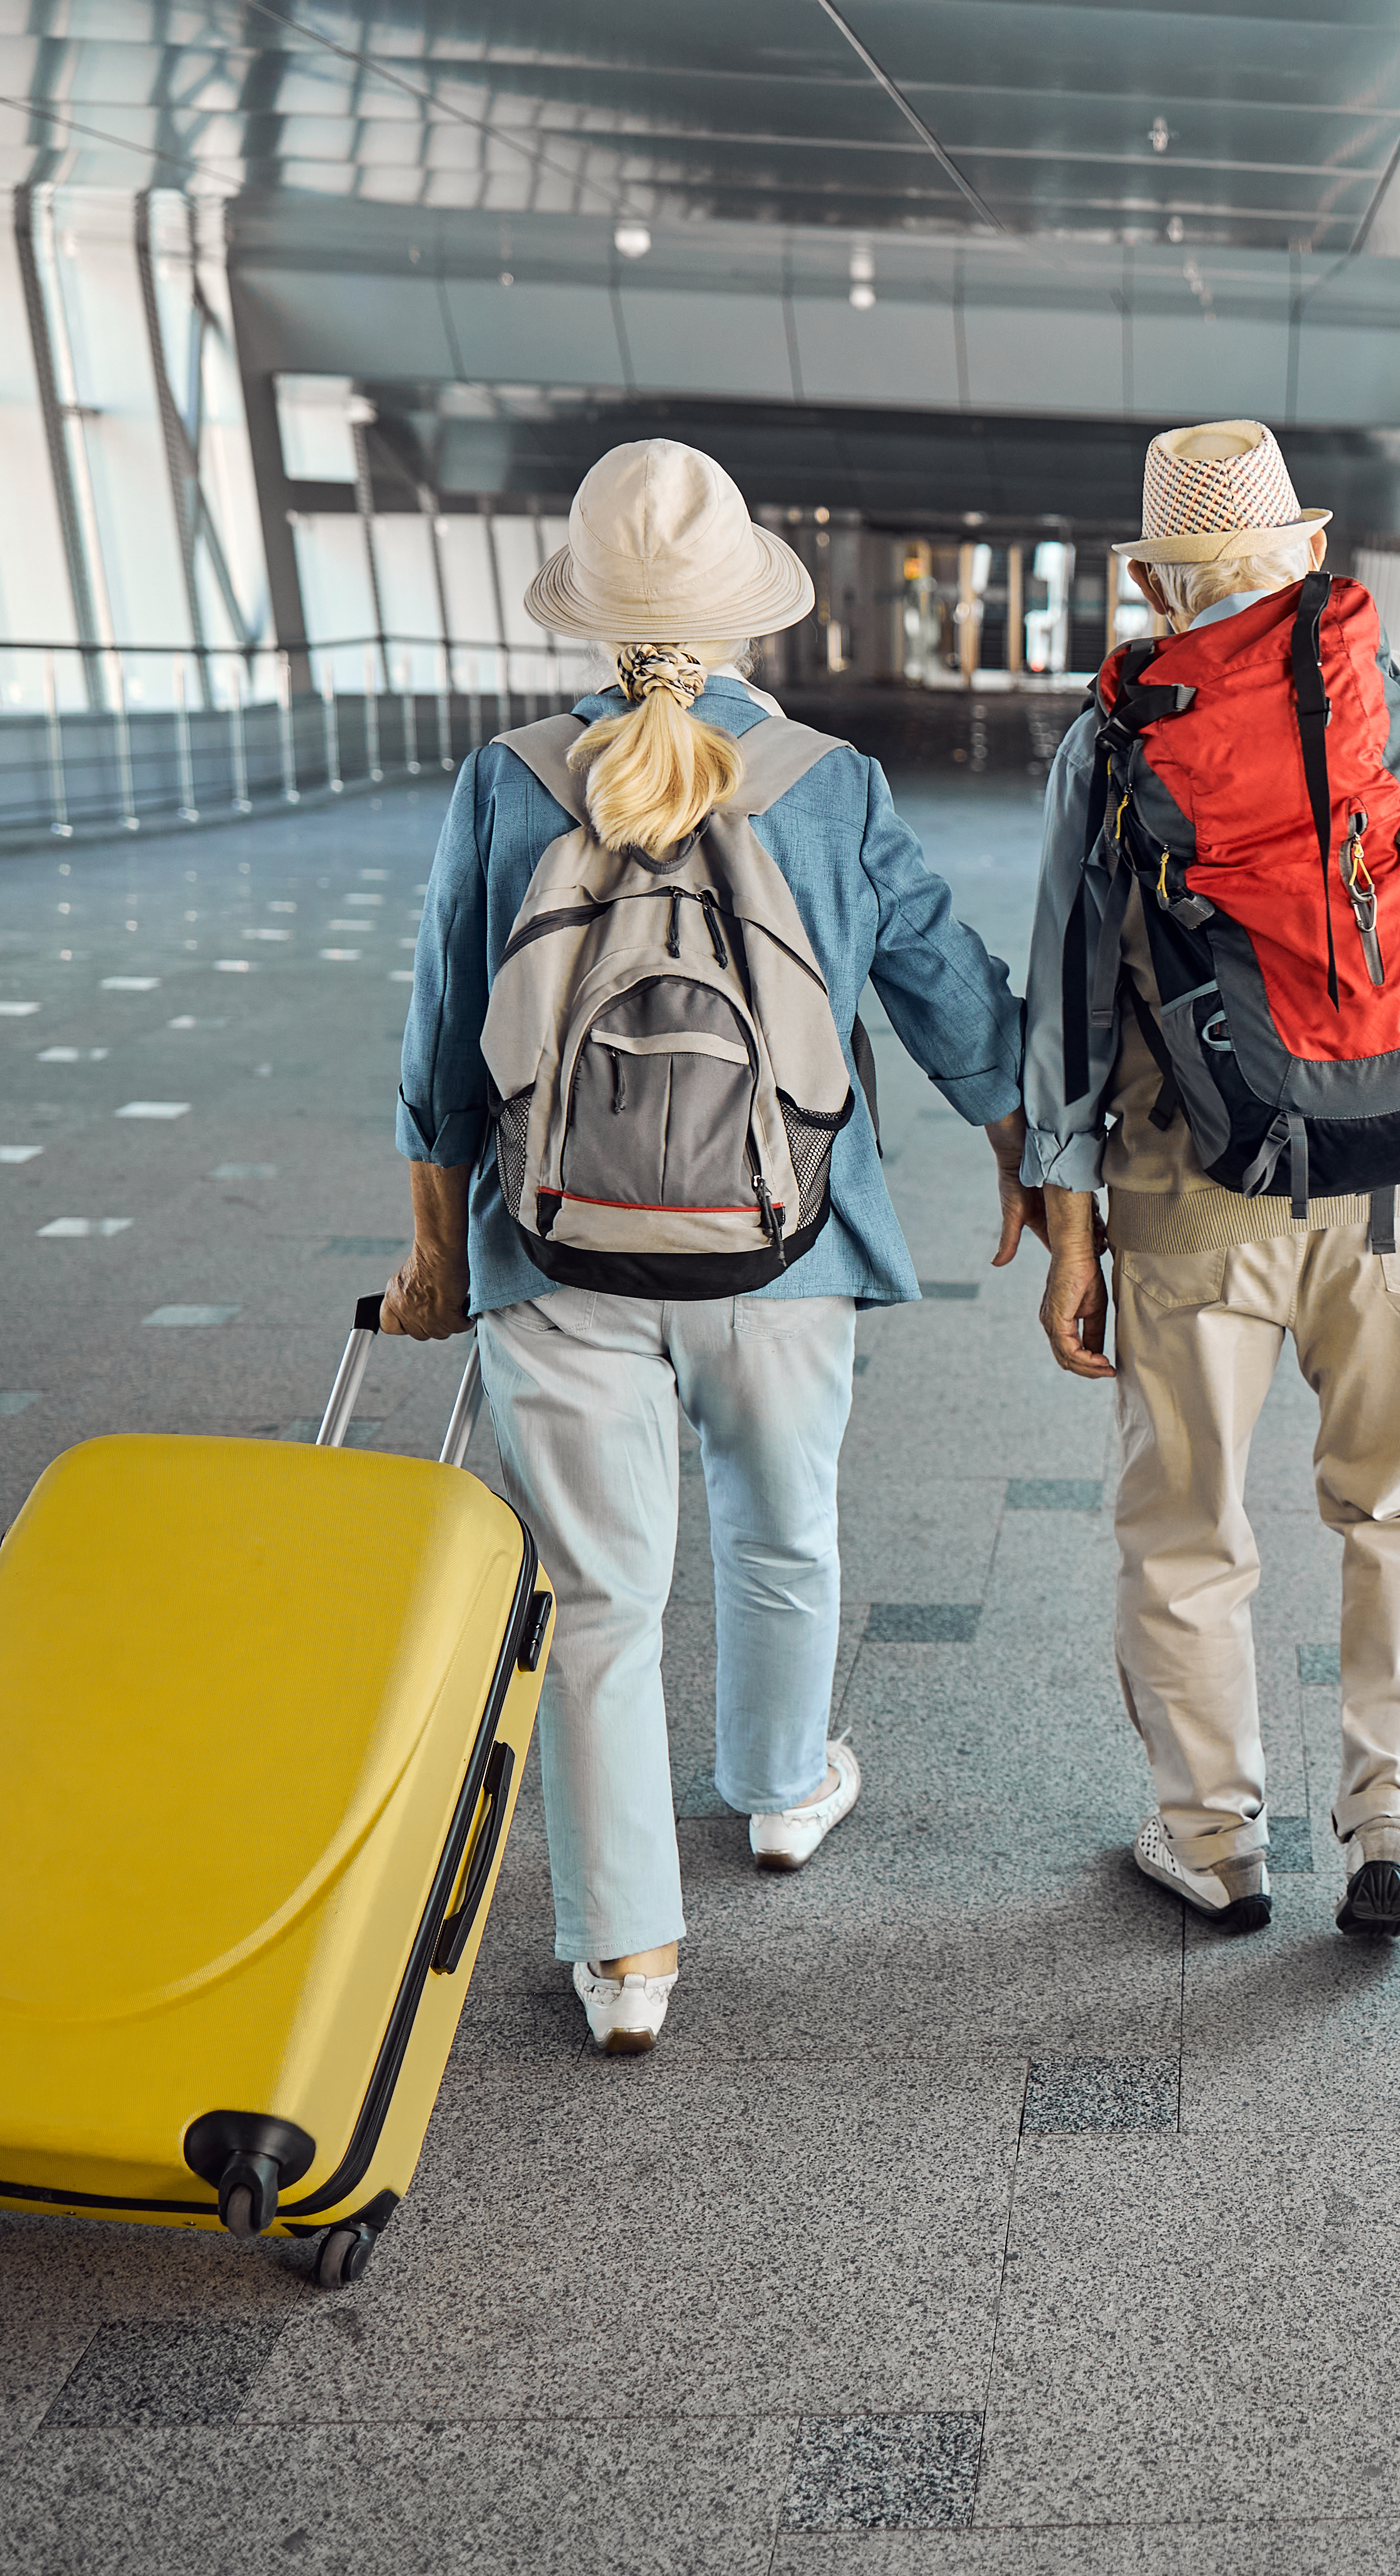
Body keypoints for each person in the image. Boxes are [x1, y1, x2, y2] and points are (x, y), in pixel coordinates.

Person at [381, 438, 1031, 2054]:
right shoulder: (829, 784)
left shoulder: (507, 779)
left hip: (556, 1253)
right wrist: (1032, 1156)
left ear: (588, 624)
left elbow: (443, 1043)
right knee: (783, 1527)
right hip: (785, 1251)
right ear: (749, 619)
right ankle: (783, 1791)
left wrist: (438, 1255)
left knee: (596, 1604)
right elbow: (948, 996)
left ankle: (625, 1963)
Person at [1021, 419, 1400, 1940]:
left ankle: (1216, 1842)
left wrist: (1069, 1235)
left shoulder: (1115, 737)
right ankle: (1395, 1831)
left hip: (1192, 1187)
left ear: (1162, 585)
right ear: (1306, 552)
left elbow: (1069, 1006)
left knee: (1186, 1531)